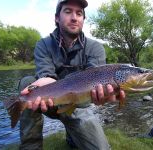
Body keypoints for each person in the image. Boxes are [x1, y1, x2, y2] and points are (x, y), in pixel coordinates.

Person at [18, 0, 125, 149]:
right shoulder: (43, 45)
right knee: (27, 83)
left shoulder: (95, 48)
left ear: (83, 19)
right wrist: (44, 81)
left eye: (79, 13)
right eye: (68, 11)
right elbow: (46, 74)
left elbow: (96, 78)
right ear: (57, 18)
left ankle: (72, 133)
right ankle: (31, 147)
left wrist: (103, 94)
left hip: (79, 106)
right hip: (48, 101)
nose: (74, 17)